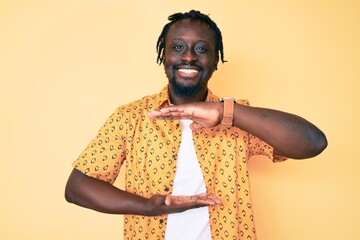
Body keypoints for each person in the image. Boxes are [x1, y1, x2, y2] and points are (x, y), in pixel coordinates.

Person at [65, 10, 327, 240]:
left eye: (201, 49)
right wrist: (147, 206)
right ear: (163, 55)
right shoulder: (132, 117)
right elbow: (77, 188)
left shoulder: (239, 117)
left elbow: (313, 142)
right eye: (177, 47)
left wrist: (228, 112)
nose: (188, 57)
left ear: (215, 60)